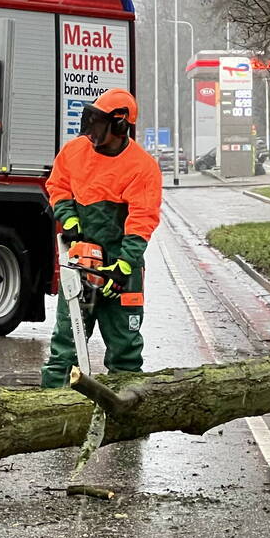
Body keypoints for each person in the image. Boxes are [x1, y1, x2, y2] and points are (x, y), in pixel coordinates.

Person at [41, 88, 162, 387]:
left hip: (121, 268)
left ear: (119, 125)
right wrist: (69, 220)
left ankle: (124, 406)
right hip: (82, 263)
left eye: (98, 123)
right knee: (65, 346)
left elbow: (142, 220)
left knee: (125, 352)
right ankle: (51, 404)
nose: (91, 129)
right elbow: (58, 186)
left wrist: (124, 265)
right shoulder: (75, 152)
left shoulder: (142, 166)